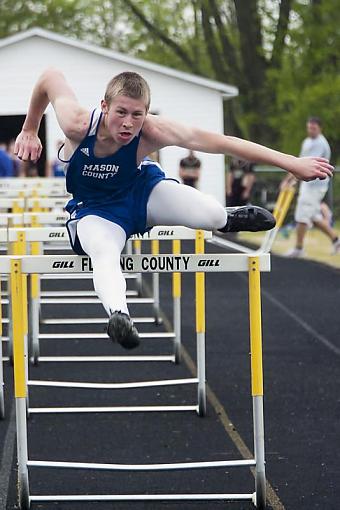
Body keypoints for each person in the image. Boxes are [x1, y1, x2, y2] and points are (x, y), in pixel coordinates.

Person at [14, 69, 333, 349]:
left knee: (209, 213)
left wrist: (291, 162)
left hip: (141, 192)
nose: (127, 124)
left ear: (147, 114)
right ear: (104, 106)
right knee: (103, 251)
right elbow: (49, 77)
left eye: (137, 115)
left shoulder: (153, 131)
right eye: (121, 112)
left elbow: (222, 142)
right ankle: (119, 315)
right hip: (96, 210)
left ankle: (226, 218)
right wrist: (30, 128)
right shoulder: (77, 124)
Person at [281, 116, 340, 256]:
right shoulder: (306, 142)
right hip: (307, 186)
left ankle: (299, 248)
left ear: (320, 128)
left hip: (315, 186)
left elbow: (310, 167)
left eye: (313, 128)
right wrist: (287, 179)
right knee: (314, 217)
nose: (311, 130)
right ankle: (336, 240)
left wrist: (293, 181)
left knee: (302, 216)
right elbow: (297, 163)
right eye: (309, 127)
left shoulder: (321, 143)